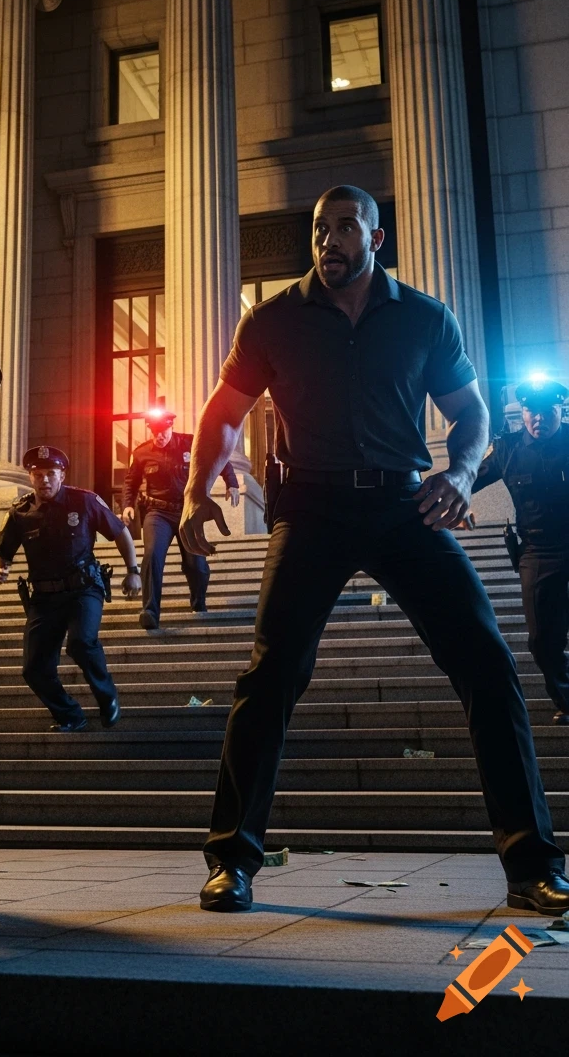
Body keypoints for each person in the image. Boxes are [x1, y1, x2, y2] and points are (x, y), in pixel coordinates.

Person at [180, 184, 569, 917]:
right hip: (313, 507)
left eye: (345, 228)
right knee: (270, 675)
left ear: (376, 237)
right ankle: (231, 860)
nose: (329, 241)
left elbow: (472, 413)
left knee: (487, 662)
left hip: (401, 503)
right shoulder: (273, 321)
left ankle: (532, 865)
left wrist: (457, 472)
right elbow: (223, 411)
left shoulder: (425, 318)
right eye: (320, 229)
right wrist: (199, 487)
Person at [0, 446, 142, 731]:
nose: (44, 480)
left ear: (61, 475)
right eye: (38, 474)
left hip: (83, 590)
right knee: (34, 669)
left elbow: (120, 532)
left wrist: (133, 571)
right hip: (44, 599)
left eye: (50, 474)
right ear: (30, 476)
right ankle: (70, 714)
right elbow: (1, 551)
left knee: (81, 643)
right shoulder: (21, 512)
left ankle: (107, 695)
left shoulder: (84, 501)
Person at [471, 376, 569, 725]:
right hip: (538, 550)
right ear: (522, 413)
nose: (538, 419)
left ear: (561, 409)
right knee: (542, 639)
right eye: (531, 412)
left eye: (546, 412)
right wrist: (453, 500)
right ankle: (566, 699)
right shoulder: (508, 449)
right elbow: (468, 479)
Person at [122, 408, 239, 631]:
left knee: (196, 563)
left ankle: (198, 604)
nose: (159, 436)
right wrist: (128, 504)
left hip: (188, 511)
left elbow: (219, 456)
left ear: (170, 426)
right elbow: (131, 481)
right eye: (155, 432)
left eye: (163, 431)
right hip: (158, 513)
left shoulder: (190, 443)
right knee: (153, 554)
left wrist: (231, 482)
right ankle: (150, 611)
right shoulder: (141, 453)